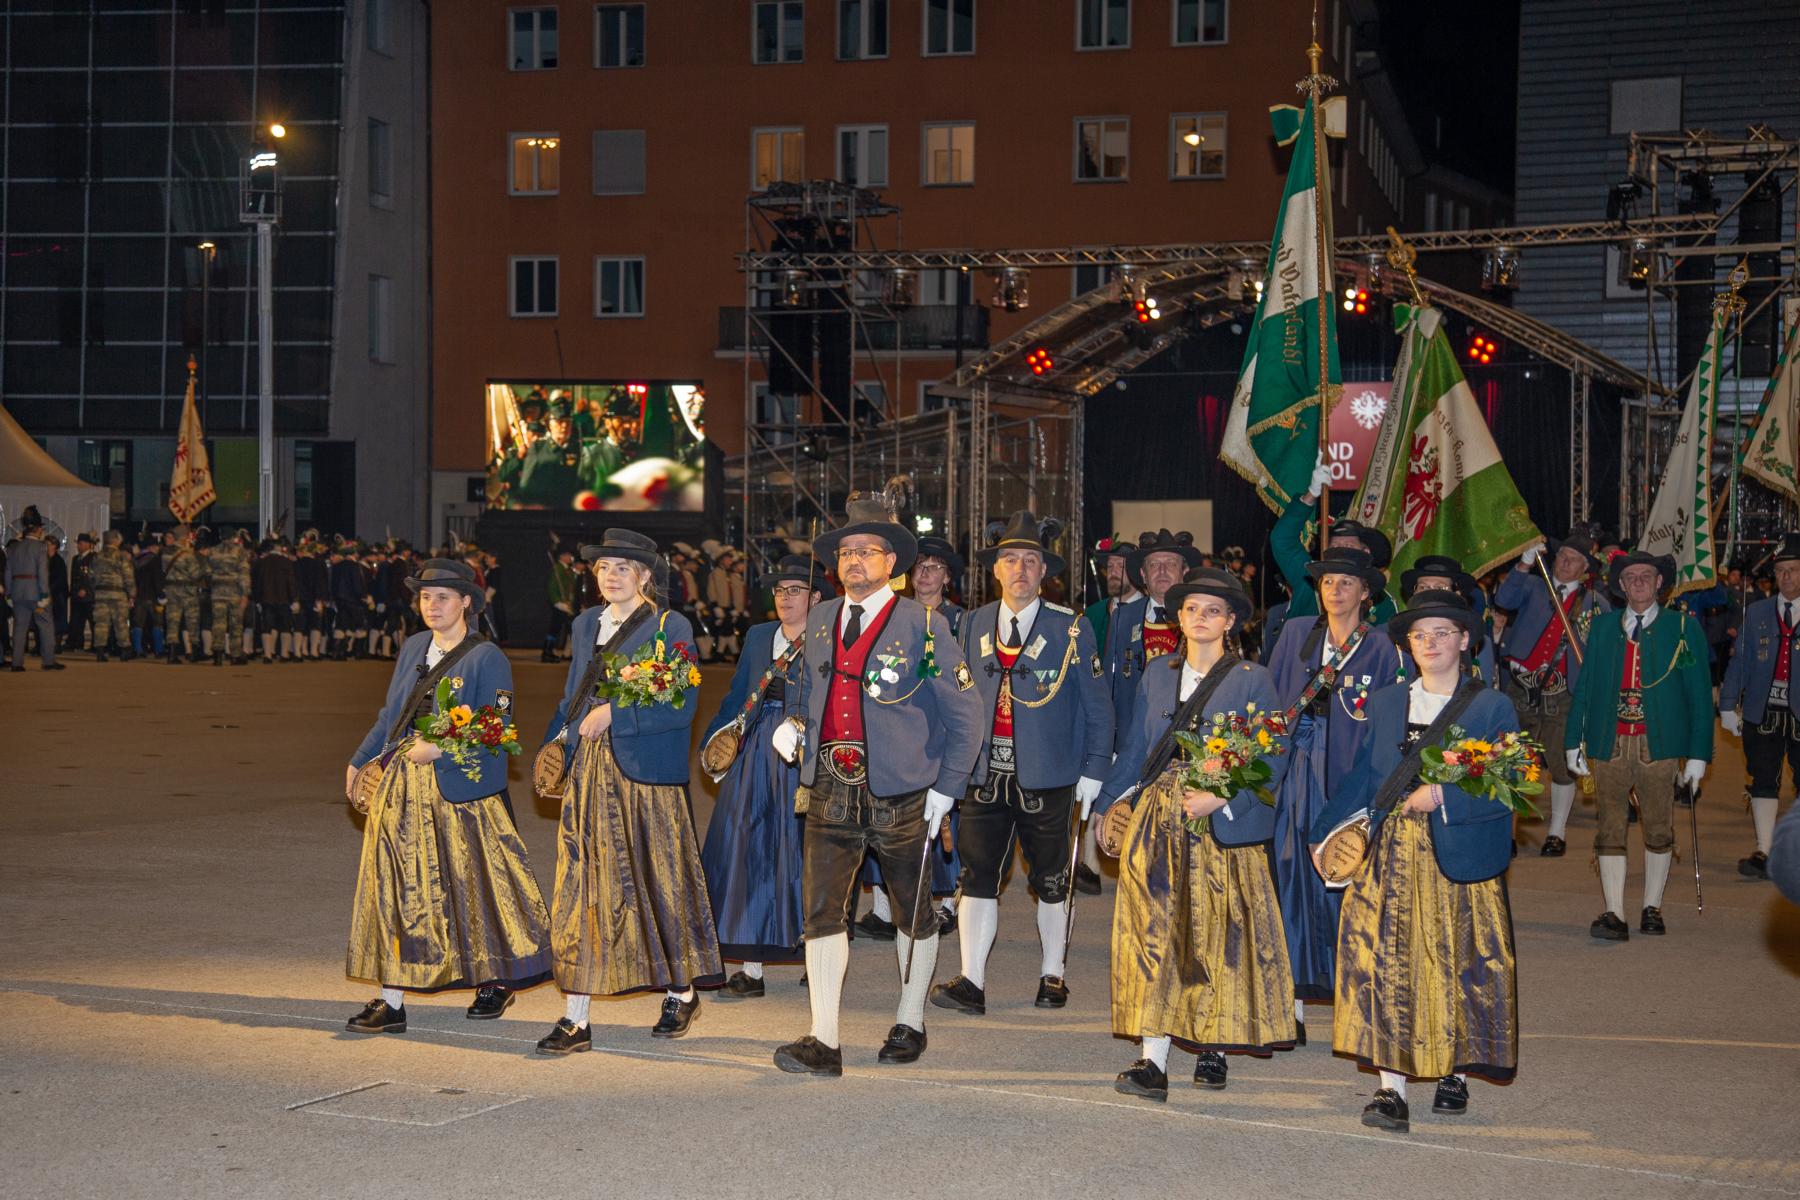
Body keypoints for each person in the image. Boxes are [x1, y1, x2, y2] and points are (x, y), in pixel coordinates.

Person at [769, 495, 984, 1077]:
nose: (854, 561)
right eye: (845, 553)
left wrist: (947, 789)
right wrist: (797, 725)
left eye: (866, 552)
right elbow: (808, 690)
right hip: (829, 785)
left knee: (912, 910)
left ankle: (911, 1020)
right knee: (822, 912)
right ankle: (824, 1039)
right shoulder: (820, 619)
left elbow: (967, 715)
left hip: (904, 791)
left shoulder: (926, 625)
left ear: (892, 563)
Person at [1309, 591, 1520, 1134]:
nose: (1431, 643)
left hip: (1456, 855)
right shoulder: (1386, 702)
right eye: (1421, 635)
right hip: (1389, 853)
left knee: (1456, 960)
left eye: (1442, 633)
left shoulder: (1490, 706)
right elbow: (1364, 775)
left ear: (1465, 640)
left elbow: (1511, 782)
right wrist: (1323, 831)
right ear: (1407, 645)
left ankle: (1455, 1072)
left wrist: (1445, 794)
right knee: (1383, 963)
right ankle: (1391, 1088)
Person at [1097, 567, 1297, 1101]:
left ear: (1230, 621)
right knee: (1153, 931)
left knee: (1218, 935)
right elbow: (1135, 749)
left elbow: (1274, 753)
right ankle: (1152, 1058)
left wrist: (1223, 796)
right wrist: (1109, 804)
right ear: (1179, 618)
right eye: (1191, 609)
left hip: (1218, 820)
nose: (1200, 618)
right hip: (1158, 818)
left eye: (1213, 610)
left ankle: (1214, 1046)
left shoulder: (1252, 678)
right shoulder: (1156, 673)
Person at [342, 558, 553, 1034]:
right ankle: (391, 999)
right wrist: (360, 759)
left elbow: (498, 724)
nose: (432, 606)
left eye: (442, 597)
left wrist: (441, 747)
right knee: (399, 887)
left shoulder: (487, 657)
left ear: (466, 603)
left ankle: (495, 980)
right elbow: (390, 715)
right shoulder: (414, 646)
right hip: (405, 788)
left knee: (479, 889)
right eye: (424, 597)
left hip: (465, 790)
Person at [536, 530, 721, 1054]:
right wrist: (555, 745)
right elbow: (573, 697)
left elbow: (681, 705)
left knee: (658, 881)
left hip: (646, 777)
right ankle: (575, 1017)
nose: (611, 576)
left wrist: (615, 714)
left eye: (623, 567)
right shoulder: (584, 625)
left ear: (644, 576)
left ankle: (681, 992)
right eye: (603, 568)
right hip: (589, 772)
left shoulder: (669, 625)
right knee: (582, 884)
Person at [929, 511, 1112, 1017]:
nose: (1020, 570)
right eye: (1010, 560)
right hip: (984, 775)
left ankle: (1053, 974)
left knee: (1052, 880)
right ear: (996, 569)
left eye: (1030, 561)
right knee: (977, 876)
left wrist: (1095, 768)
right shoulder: (972, 623)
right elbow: (956, 702)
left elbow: (1099, 708)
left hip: (1048, 776)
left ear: (1044, 571)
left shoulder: (1071, 628)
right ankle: (972, 980)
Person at [1266, 545, 1399, 1036]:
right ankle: (1292, 1004)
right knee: (1289, 877)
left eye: (1346, 583)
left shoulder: (1384, 647)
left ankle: (1354, 1004)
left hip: (1348, 777)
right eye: (1327, 582)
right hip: (1295, 770)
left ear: (1365, 593)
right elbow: (1273, 701)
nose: (1335, 591)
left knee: (1346, 880)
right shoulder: (1297, 633)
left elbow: (1387, 726)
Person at [699, 554, 831, 996]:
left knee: (803, 854)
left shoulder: (828, 637)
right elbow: (739, 693)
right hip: (756, 752)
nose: (785, 598)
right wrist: (715, 739)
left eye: (795, 590)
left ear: (815, 597)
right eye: (779, 591)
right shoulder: (759, 636)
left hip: (804, 755)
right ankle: (751, 967)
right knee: (747, 852)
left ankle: (817, 954)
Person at [1564, 549, 1712, 940]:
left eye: (1647, 575)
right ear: (1621, 586)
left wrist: (1699, 754)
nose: (1639, 582)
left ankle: (1652, 907)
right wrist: (1573, 739)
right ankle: (1614, 911)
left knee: (1659, 826)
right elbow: (1585, 687)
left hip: (1659, 746)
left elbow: (1699, 695)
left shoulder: (1683, 627)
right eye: (1631, 577)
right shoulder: (1603, 627)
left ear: (1660, 583)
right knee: (1609, 826)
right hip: (1609, 743)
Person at [1495, 535, 1610, 857]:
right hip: (1520, 688)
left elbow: (1603, 651)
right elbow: (1504, 599)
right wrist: (1524, 564)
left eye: (1574, 559)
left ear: (1585, 569)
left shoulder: (1596, 604)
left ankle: (1557, 832)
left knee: (1561, 763)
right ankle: (1508, 832)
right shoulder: (1533, 585)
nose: (1565, 562)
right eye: (1562, 555)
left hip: (1563, 694)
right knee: (1512, 759)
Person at [1719, 533, 1800, 881]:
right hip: (1762, 711)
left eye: (1793, 569)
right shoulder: (1757, 612)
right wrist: (1727, 704)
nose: (1786, 576)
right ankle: (1764, 850)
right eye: (1781, 571)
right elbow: (1740, 662)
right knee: (1763, 778)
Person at [1270, 462, 1400, 626]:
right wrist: (1312, 494)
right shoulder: (1309, 581)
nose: (1340, 552)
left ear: (1365, 552)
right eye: (1334, 547)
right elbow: (1282, 539)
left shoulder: (1382, 603)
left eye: (1348, 547)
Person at [1394, 556, 1499, 686]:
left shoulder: (1478, 646)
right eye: (1423, 587)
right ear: (1414, 593)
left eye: (1440, 587)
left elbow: (1484, 693)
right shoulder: (1390, 640)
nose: (1431, 593)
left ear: (1457, 594)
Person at [6, 507, 62, 671]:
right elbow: (42, 572)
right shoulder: (40, 547)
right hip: (36, 593)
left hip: (18, 593)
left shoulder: (13, 548)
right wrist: (44, 594)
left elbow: (8, 572)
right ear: (38, 530)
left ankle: (16, 663)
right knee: (45, 626)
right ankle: (48, 661)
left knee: (19, 628)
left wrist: (9, 593)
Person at [89, 530, 136, 661]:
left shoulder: (97, 557)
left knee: (101, 623)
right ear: (115, 540)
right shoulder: (121, 556)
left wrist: (96, 590)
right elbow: (129, 577)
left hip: (100, 594)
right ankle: (125, 650)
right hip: (118, 594)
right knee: (120, 622)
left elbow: (91, 576)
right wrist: (132, 594)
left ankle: (100, 651)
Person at [207, 528, 251, 667]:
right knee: (236, 625)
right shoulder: (239, 551)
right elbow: (244, 573)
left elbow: (207, 571)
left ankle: (217, 655)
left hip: (217, 592)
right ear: (233, 537)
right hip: (234, 593)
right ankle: (235, 655)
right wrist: (245, 594)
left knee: (218, 624)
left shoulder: (212, 551)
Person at [544, 545, 577, 662]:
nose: (570, 557)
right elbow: (552, 587)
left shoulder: (567, 569)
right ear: (562, 556)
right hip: (559, 605)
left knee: (558, 629)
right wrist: (557, 602)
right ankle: (546, 653)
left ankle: (551, 651)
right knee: (554, 628)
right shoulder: (557, 569)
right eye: (568, 555)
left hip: (566, 604)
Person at [67, 532, 96, 653]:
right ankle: (76, 643)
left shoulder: (94, 558)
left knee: (93, 621)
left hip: (89, 596)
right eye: (78, 543)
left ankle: (95, 645)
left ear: (88, 544)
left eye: (81, 543)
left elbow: (93, 577)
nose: (79, 546)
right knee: (76, 620)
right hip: (76, 595)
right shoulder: (76, 559)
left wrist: (86, 589)